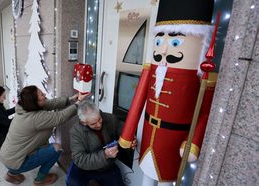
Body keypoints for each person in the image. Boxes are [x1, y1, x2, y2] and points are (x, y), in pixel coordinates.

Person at [118, 0, 217, 184]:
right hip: (149, 135)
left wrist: (193, 141)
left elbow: (204, 112)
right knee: (146, 177)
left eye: (175, 41)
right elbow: (137, 102)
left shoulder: (203, 77)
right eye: (158, 40)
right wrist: (127, 133)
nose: (163, 49)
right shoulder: (151, 69)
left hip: (174, 141)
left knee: (166, 179)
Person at [0, 85, 89, 186]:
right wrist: (78, 104)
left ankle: (12, 174)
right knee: (56, 149)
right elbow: (60, 117)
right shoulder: (34, 118)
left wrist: (71, 99)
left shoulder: (24, 107)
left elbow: (50, 103)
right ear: (35, 102)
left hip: (8, 156)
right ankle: (40, 180)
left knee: (23, 155)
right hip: (16, 161)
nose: (45, 95)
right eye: (41, 95)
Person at [66, 101, 136, 186]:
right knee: (72, 182)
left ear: (98, 112)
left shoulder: (111, 119)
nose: (99, 125)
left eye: (99, 119)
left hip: (106, 166)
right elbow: (80, 159)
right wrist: (105, 155)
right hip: (84, 167)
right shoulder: (75, 132)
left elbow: (124, 131)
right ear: (83, 122)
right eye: (93, 123)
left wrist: (130, 139)